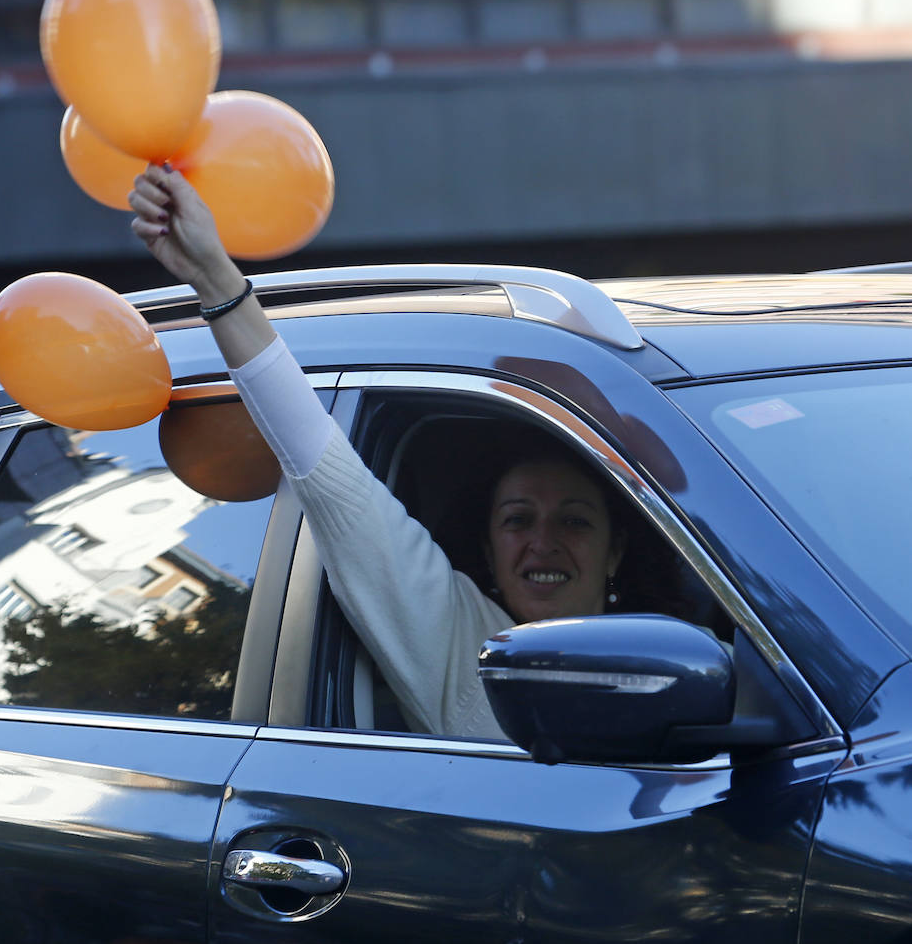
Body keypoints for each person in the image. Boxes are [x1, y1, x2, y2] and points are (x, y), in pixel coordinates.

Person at [128, 164, 627, 740]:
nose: (544, 541)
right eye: (518, 519)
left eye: (574, 520)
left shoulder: (715, 660)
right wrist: (215, 281)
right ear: (487, 551)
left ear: (615, 551)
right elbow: (326, 471)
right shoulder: (462, 639)